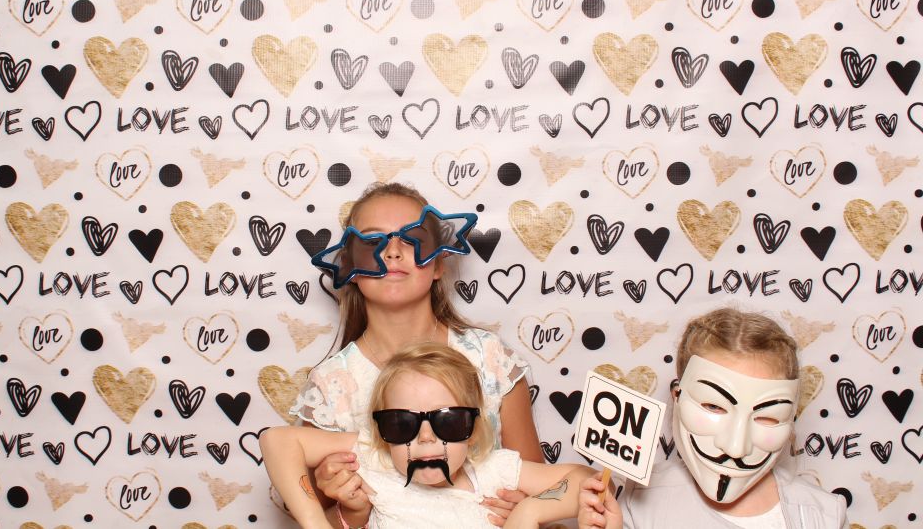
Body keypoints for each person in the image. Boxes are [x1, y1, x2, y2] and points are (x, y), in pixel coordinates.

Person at [289, 182, 543, 527]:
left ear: (438, 265)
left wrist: (527, 506)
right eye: (373, 242)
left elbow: (541, 485)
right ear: (351, 267)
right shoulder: (332, 385)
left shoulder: (490, 359)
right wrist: (333, 494)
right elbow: (324, 516)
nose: (393, 252)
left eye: (412, 240)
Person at [266, 343, 593, 528]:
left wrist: (530, 510)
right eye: (402, 424)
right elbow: (277, 441)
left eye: (448, 422)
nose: (425, 437)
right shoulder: (376, 460)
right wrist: (316, 524)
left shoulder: (491, 472)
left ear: (472, 429)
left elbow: (587, 479)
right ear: (383, 433)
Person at [577, 307, 848, 529]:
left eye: (767, 417)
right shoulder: (641, 500)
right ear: (677, 397)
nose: (735, 448)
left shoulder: (824, 515)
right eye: (714, 406)